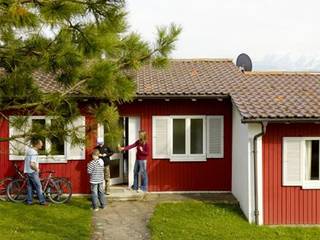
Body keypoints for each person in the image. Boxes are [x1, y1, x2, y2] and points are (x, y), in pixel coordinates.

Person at [23, 138, 47, 205]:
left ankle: (29, 201)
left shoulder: (29, 150)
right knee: (38, 186)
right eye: (41, 144)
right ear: (37, 144)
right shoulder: (34, 152)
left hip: (27, 171)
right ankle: (42, 201)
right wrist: (37, 169)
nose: (42, 146)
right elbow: (32, 164)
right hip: (32, 172)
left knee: (29, 187)